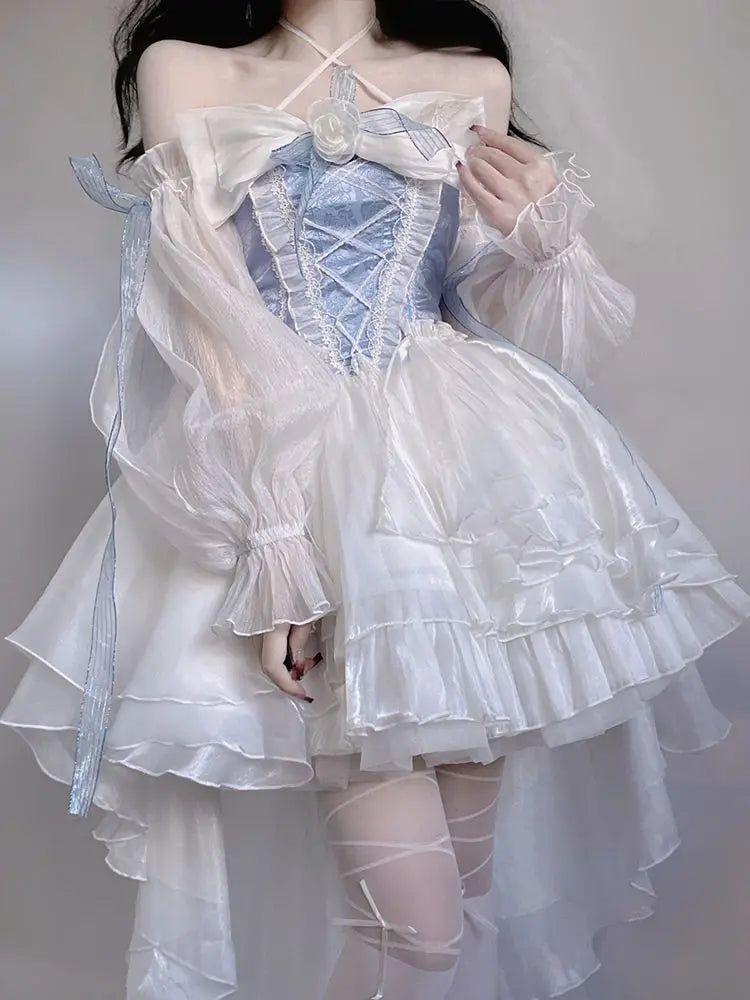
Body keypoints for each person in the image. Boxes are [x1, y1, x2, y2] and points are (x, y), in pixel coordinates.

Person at [3, 2, 749, 999]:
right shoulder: (186, 68)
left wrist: (542, 246)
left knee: (461, 900)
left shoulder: (471, 74)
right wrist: (275, 535)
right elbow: (207, 323)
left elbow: (480, 312)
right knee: (416, 929)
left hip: (461, 481)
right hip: (290, 465)